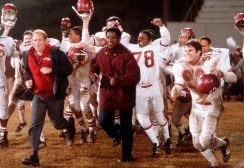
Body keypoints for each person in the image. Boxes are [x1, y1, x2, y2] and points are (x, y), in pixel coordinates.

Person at [171, 39, 235, 167]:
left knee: (205, 140)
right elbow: (178, 84)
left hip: (212, 105)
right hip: (196, 107)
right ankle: (214, 163)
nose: (186, 53)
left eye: (190, 51)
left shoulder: (212, 60)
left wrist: (222, 74)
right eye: (185, 51)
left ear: (199, 52)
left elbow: (233, 77)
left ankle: (223, 143)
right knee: (197, 143)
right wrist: (175, 91)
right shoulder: (180, 65)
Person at [21, 29, 75, 166]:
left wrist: (52, 70)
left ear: (46, 41)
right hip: (38, 95)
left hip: (54, 95)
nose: (36, 43)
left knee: (57, 124)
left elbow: (68, 68)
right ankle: (34, 155)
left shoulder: (55, 52)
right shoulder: (27, 54)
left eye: (39, 40)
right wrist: (28, 80)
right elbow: (27, 71)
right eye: (34, 40)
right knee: (35, 124)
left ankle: (68, 125)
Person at [90, 28, 140, 162]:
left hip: (124, 94)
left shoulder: (126, 54)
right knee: (102, 120)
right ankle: (117, 134)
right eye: (108, 37)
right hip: (107, 92)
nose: (110, 40)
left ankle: (127, 155)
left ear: (118, 39)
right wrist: (93, 74)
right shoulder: (101, 52)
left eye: (113, 37)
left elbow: (135, 76)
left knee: (125, 124)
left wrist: (119, 80)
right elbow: (94, 66)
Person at [128, 18, 172, 157]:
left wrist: (162, 27)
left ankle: (168, 138)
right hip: (139, 88)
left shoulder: (154, 48)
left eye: (143, 37)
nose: (140, 39)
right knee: (142, 118)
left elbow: (165, 40)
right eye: (139, 37)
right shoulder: (133, 49)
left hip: (153, 86)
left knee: (159, 116)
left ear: (150, 40)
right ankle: (155, 142)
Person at [60, 26, 96, 145]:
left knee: (84, 106)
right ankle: (83, 129)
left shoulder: (84, 47)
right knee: (74, 107)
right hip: (72, 82)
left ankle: (92, 130)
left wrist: (80, 61)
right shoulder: (68, 46)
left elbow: (92, 56)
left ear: (78, 36)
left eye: (72, 34)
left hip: (83, 81)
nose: (69, 36)